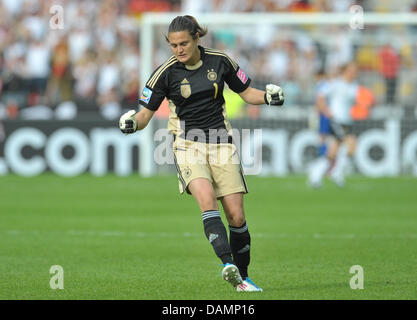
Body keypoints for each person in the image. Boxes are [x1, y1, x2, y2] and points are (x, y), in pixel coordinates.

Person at [118, 15, 284, 292]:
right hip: (187, 144)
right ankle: (227, 264)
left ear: (197, 38)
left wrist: (268, 96)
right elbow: (145, 115)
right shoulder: (165, 73)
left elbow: (247, 93)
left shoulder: (221, 61)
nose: (178, 50)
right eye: (173, 45)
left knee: (237, 217)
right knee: (207, 202)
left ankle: (242, 279)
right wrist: (132, 123)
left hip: (221, 142)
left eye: (183, 43)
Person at [308, 62, 359, 188]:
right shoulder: (336, 84)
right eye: (352, 70)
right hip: (337, 120)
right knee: (351, 144)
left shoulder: (353, 86)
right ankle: (336, 172)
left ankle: (316, 175)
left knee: (333, 151)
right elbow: (320, 96)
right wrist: (326, 111)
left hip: (346, 121)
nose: (354, 73)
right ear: (345, 71)